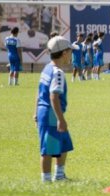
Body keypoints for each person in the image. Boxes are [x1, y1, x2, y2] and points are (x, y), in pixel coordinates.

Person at [34, 36, 74, 182]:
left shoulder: (47, 68)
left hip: (46, 112)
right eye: (70, 52)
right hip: (51, 114)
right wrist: (60, 119)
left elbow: (38, 92)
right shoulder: (57, 72)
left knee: (64, 144)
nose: (71, 55)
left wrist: (35, 112)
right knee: (48, 149)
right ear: (64, 53)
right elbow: (53, 97)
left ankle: (59, 175)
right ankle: (46, 180)